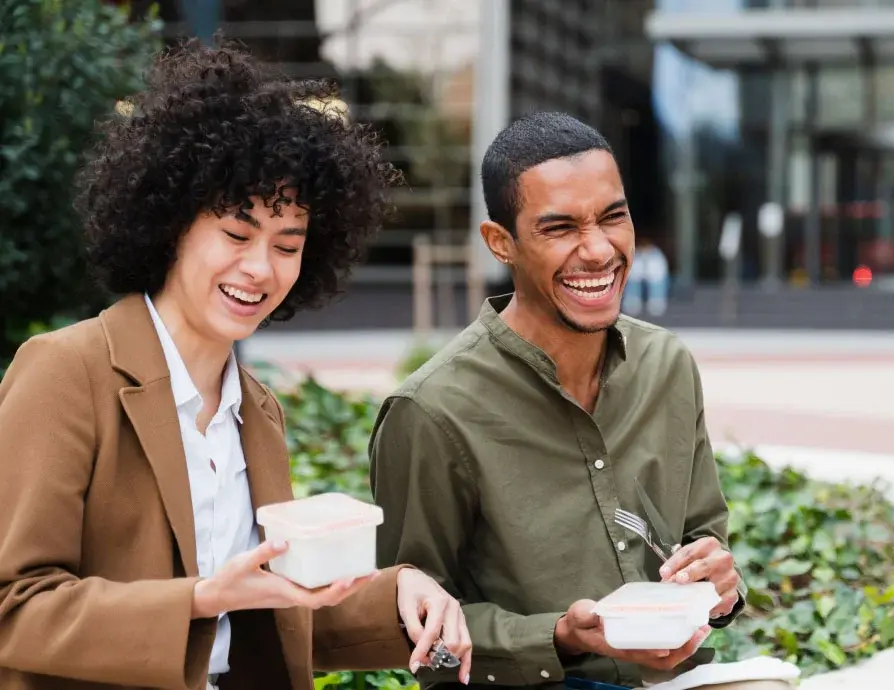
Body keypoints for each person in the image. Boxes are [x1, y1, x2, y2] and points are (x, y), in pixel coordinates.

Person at [0, 40, 471, 690]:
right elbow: (13, 608)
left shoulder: (256, 410)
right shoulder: (66, 372)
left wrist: (404, 596)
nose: (260, 268)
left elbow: (274, 610)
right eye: (236, 233)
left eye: (288, 244)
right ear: (172, 224)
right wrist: (198, 600)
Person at [370, 112, 787, 690]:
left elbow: (703, 536)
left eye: (613, 217)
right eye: (559, 227)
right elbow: (410, 626)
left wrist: (718, 580)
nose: (597, 250)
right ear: (501, 244)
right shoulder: (431, 411)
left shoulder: (666, 365)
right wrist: (559, 638)